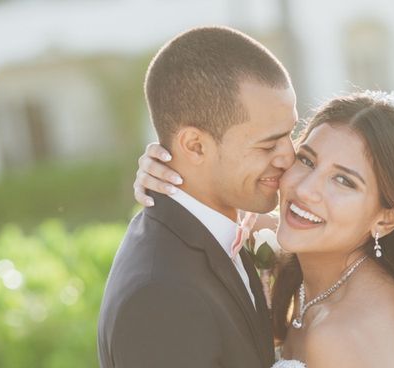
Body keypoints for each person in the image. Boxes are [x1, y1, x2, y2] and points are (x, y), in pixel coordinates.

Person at [136, 92, 394, 367]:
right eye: (307, 160)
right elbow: (214, 218)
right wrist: (172, 177)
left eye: (344, 182)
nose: (305, 189)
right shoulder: (319, 259)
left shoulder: (345, 334)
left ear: (385, 218)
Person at [98, 26, 298, 368]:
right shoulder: (159, 296)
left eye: (291, 134)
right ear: (195, 146)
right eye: (268, 144)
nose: (289, 157)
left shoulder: (226, 230)